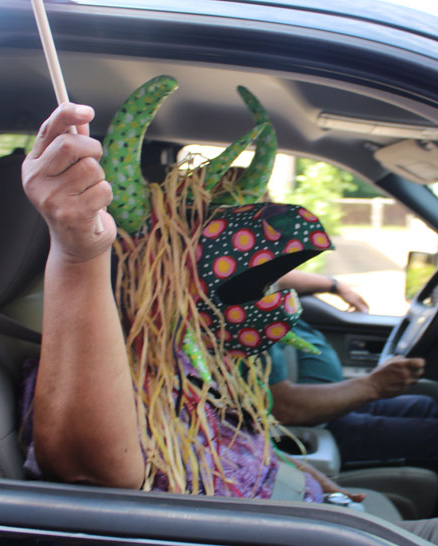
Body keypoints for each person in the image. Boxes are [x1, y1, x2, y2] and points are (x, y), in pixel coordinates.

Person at [21, 101, 438, 543]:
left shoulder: (185, 359)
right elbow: (93, 469)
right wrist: (79, 251)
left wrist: (312, 483)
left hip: (311, 512)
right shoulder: (96, 380)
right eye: (248, 261)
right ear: (173, 273)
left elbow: (236, 439)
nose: (273, 281)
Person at [268, 269, 438, 468]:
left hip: (325, 404)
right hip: (309, 425)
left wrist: (335, 286)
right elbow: (283, 408)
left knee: (425, 405)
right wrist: (374, 385)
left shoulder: (263, 288)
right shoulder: (247, 322)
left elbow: (276, 277)